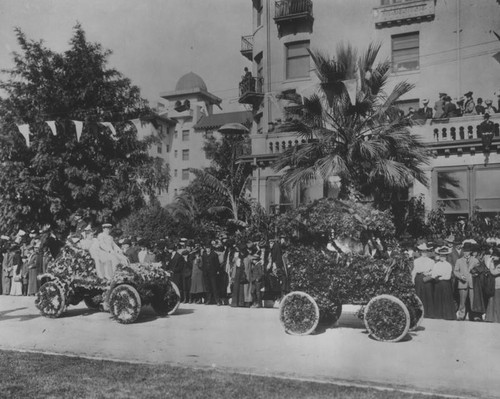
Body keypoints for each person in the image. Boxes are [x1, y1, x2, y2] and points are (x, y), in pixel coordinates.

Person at [454, 242, 479, 320]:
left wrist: (476, 274)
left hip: (472, 283)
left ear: (470, 252)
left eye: (467, 251)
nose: (466, 253)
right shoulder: (459, 260)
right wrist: (460, 276)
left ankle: (474, 315)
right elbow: (455, 271)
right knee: (462, 301)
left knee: (473, 300)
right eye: (464, 251)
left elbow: (479, 270)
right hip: (462, 283)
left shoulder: (475, 260)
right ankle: (461, 315)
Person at [431, 246, 456, 320]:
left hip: (445, 284)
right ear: (439, 256)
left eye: (444, 256)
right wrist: (438, 276)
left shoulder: (448, 265)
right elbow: (433, 274)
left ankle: (447, 315)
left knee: (446, 299)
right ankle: (439, 315)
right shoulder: (436, 264)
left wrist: (440, 276)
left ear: (446, 256)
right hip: (438, 284)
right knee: (438, 298)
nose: (443, 257)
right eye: (441, 256)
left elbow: (448, 276)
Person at [411, 243, 435, 318]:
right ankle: (419, 313)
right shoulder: (416, 261)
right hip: (418, 278)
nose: (424, 253)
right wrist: (412, 280)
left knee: (428, 294)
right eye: (422, 251)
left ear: (427, 252)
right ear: (420, 252)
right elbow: (414, 271)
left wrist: (428, 272)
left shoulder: (431, 261)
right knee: (419, 294)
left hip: (427, 278)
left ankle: (429, 313)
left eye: (425, 251)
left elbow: (434, 271)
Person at [485, 247, 500, 322]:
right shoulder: (494, 263)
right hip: (493, 285)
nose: (493, 257)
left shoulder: (498, 264)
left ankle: (497, 318)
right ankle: (491, 318)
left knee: (497, 302)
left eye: (495, 256)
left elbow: (494, 272)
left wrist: (491, 266)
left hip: (498, 285)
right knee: (491, 301)